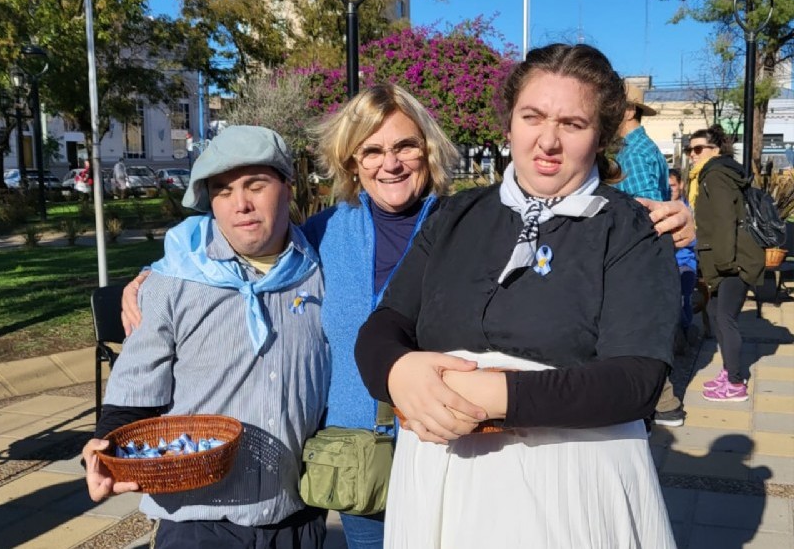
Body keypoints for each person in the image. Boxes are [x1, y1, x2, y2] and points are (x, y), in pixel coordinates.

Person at [121, 85, 696, 548]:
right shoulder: (324, 234)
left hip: (465, 448)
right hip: (361, 458)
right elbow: (243, 238)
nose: (389, 163)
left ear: (428, 148)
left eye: (404, 146)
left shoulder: (466, 222)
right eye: (370, 151)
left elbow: (563, 224)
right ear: (352, 162)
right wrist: (159, 270)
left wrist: (669, 220)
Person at [354, 43, 678, 548]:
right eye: (532, 116)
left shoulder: (632, 228)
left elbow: (636, 379)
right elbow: (387, 322)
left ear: (600, 136)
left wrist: (497, 395)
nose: (548, 140)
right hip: (443, 480)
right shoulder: (453, 216)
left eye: (572, 124)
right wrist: (397, 371)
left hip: (567, 484)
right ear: (509, 123)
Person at [82, 125, 330, 549]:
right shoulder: (172, 282)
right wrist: (102, 448)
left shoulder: (324, 272)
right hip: (199, 521)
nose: (242, 204)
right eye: (223, 190)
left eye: (256, 184)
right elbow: (136, 389)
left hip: (297, 514)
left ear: (288, 187)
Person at [615, 82, 683, 427]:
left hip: (636, 258)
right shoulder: (640, 148)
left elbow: (643, 208)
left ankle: (663, 403)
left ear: (628, 111)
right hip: (644, 257)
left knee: (636, 334)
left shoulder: (634, 152)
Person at [692, 124, 764, 402]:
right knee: (715, 312)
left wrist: (723, 264)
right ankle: (728, 371)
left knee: (725, 318)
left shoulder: (716, 175)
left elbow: (724, 221)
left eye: (698, 149)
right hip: (727, 258)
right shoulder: (714, 174)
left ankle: (735, 383)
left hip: (733, 260)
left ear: (715, 149)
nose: (692, 154)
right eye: (690, 149)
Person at [614, 82, 671, 201]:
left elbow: (646, 208)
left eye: (613, 108)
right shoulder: (647, 147)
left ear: (629, 111)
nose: (608, 115)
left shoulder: (633, 153)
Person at [669, 168, 698, 346]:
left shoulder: (689, 210)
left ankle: (686, 329)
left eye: (672, 185)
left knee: (682, 298)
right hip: (665, 263)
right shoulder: (662, 207)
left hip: (684, 262)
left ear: (681, 185)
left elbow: (694, 240)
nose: (670, 188)